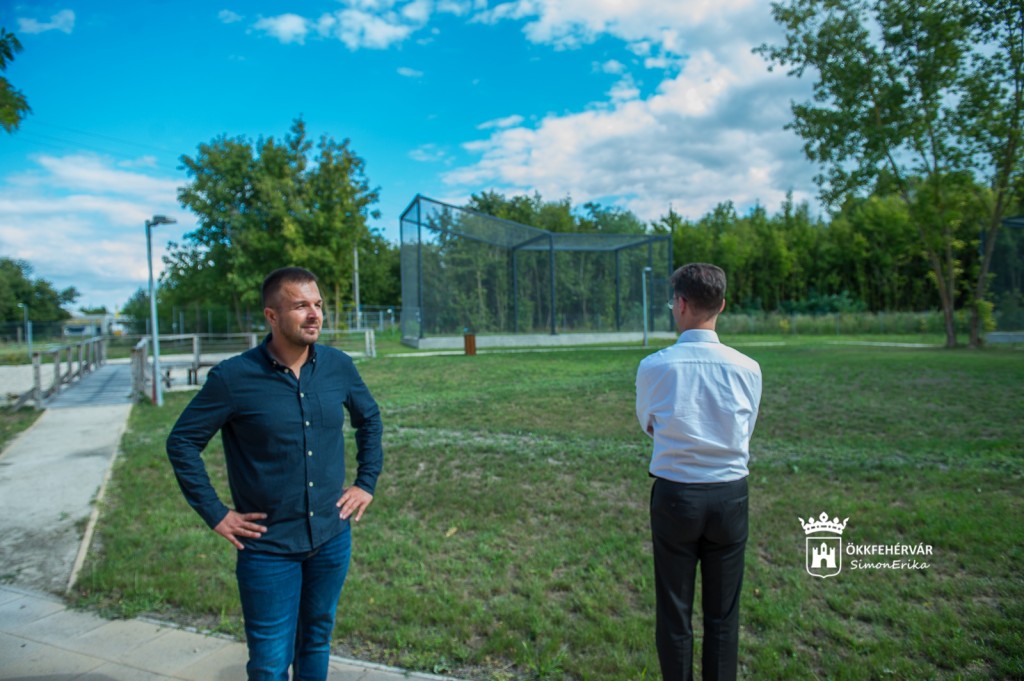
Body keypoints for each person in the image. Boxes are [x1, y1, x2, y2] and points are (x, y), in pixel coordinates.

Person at [166, 266, 383, 681]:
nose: (315, 314)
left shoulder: (338, 366)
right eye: (301, 306)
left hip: (331, 537)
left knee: (316, 640)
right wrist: (215, 513)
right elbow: (182, 443)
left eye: (318, 304)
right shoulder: (233, 378)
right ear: (271, 316)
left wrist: (365, 483)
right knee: (269, 661)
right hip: (268, 548)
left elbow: (369, 420)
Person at [635, 263, 762, 681]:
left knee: (674, 612)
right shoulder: (748, 368)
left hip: (676, 496)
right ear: (721, 306)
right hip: (730, 496)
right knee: (723, 616)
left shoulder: (654, 366)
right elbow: (745, 428)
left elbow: (648, 425)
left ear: (681, 304)